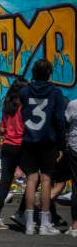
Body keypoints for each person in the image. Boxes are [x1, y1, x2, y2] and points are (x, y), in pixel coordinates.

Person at [19, 59, 66, 236]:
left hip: (29, 140)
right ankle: (45, 224)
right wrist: (61, 144)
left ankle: (30, 224)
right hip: (48, 140)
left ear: (34, 72)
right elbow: (59, 120)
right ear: (49, 73)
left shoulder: (25, 92)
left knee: (31, 180)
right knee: (46, 180)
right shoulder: (55, 92)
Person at [0, 77, 28, 230]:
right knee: (33, 178)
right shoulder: (25, 107)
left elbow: (1, 130)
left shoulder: (7, 106)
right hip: (22, 146)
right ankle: (21, 212)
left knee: (5, 183)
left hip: (8, 146)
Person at [64, 98, 77, 237]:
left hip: (75, 148)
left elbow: (65, 123)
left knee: (76, 187)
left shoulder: (73, 104)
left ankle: (75, 226)